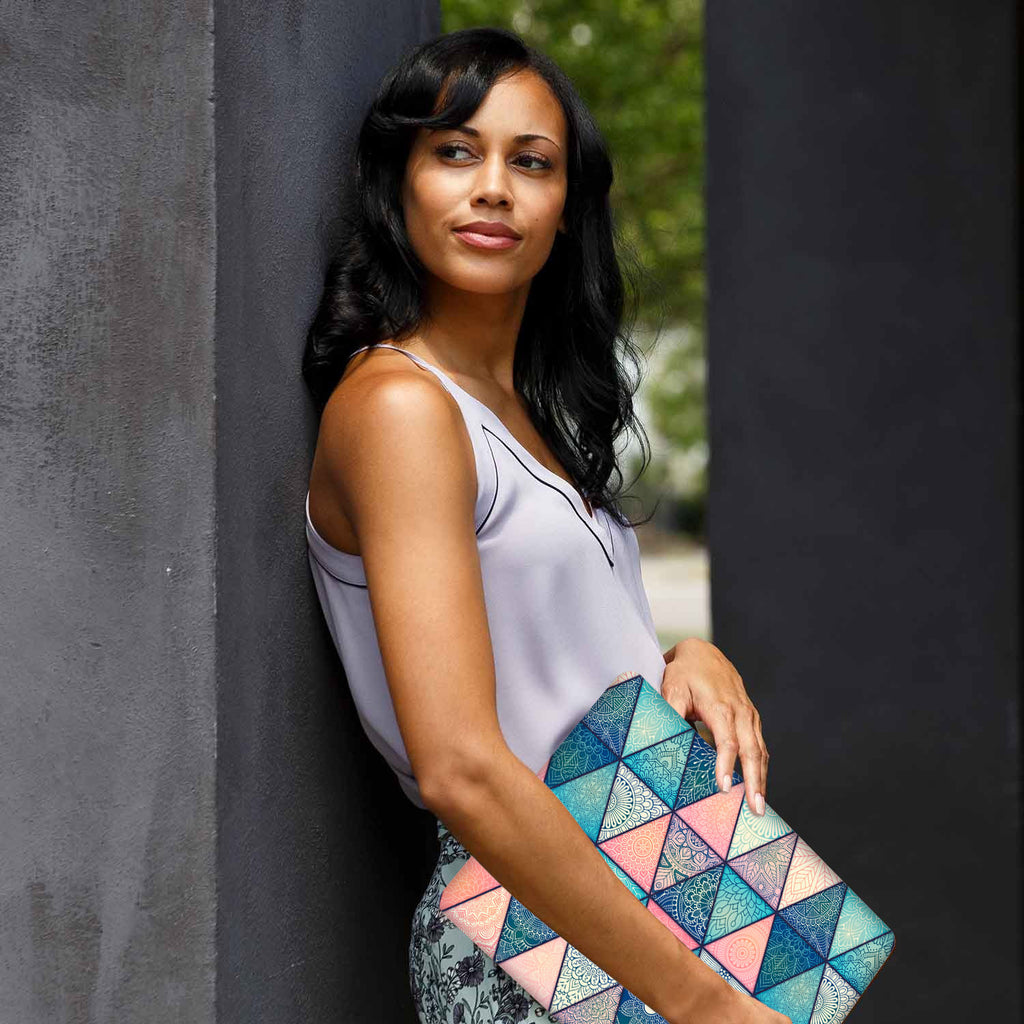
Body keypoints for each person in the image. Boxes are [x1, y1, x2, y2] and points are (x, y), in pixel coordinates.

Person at [302, 26, 789, 1024]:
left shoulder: (523, 414)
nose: (492, 187)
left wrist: (684, 659)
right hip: (533, 926)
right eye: (454, 152)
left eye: (530, 162)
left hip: (650, 867)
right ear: (397, 183)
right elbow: (462, 765)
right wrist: (701, 1002)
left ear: (566, 210)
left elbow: (551, 663)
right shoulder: (400, 407)